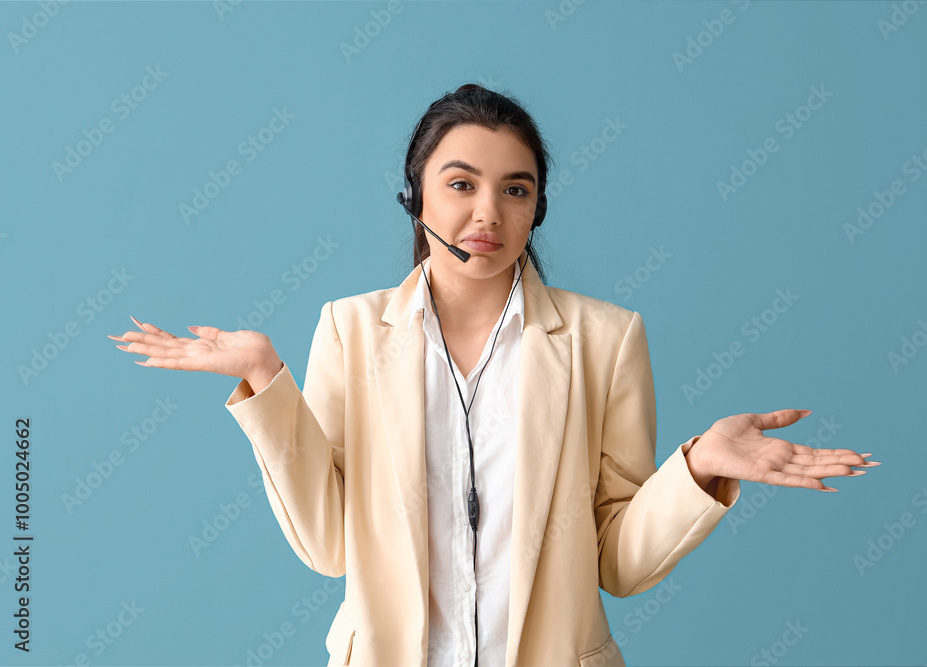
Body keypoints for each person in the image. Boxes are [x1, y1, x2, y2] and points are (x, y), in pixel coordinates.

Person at [109, 83, 879, 667]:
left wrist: (699, 465)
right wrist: (265, 382)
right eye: (460, 183)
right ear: (416, 199)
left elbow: (616, 560)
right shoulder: (348, 329)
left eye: (516, 188)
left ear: (537, 207)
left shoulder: (606, 339)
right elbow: (329, 546)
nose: (488, 211)